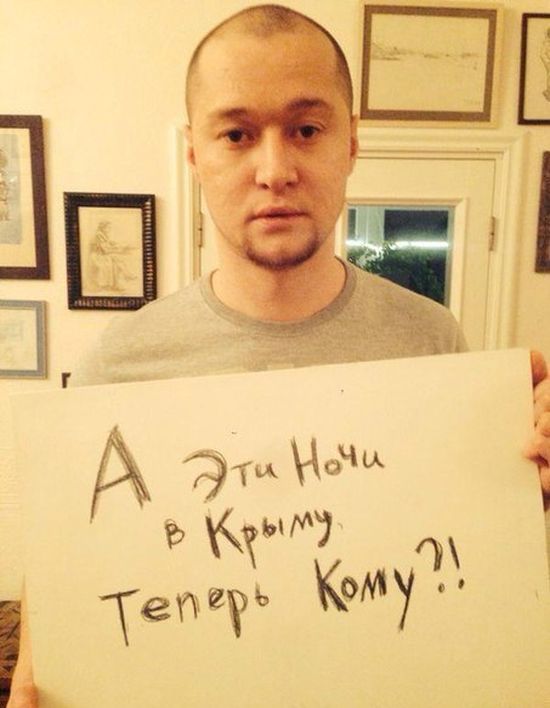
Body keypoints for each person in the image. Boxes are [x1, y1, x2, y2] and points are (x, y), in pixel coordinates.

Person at [8, 5, 550, 706]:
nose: (275, 170)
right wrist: (30, 679)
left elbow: (468, 575)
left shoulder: (432, 342)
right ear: (196, 153)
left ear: (351, 143)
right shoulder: (117, 364)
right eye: (236, 134)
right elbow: (69, 570)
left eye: (307, 129)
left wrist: (527, 489)